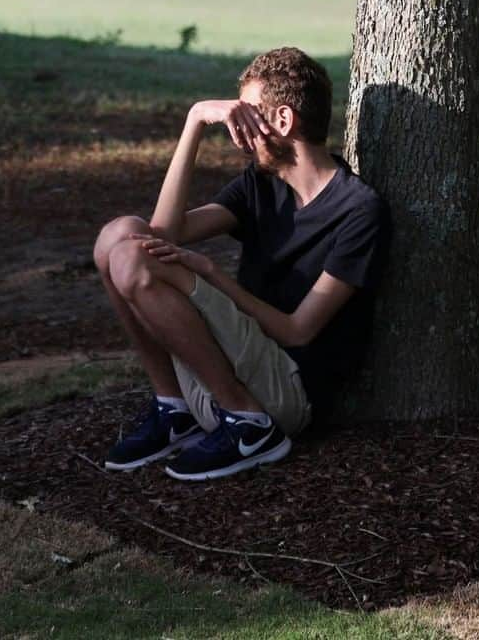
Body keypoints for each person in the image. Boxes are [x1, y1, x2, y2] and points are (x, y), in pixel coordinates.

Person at [92, 47, 385, 481]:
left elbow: (298, 330)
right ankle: (175, 409)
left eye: (245, 118)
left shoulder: (358, 208)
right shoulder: (261, 184)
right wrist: (195, 120)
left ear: (282, 121)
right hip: (236, 360)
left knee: (134, 258)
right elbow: (164, 232)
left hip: (284, 389)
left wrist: (210, 273)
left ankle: (249, 425)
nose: (237, 134)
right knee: (117, 235)